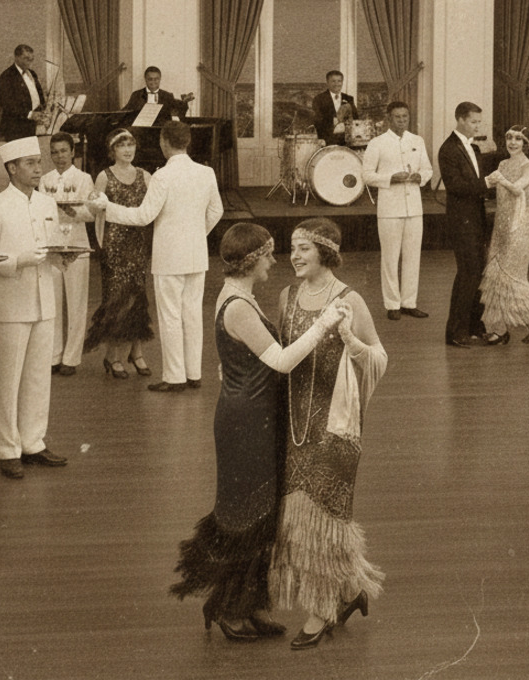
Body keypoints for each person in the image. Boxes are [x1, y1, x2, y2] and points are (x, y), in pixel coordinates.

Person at [170, 223, 347, 642]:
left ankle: (241, 607)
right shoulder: (238, 307)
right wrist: (323, 324)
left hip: (250, 415)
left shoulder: (239, 297)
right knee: (244, 514)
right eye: (268, 254)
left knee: (253, 513)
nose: (274, 261)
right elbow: (282, 362)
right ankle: (231, 612)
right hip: (246, 422)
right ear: (252, 260)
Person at [269, 219, 387, 650]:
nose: (294, 256)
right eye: (291, 248)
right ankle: (350, 591)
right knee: (301, 518)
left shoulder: (349, 298)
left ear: (325, 252)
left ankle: (322, 609)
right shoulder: (287, 296)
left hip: (336, 427)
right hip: (295, 423)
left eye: (303, 248)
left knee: (326, 518)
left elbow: (378, 357)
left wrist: (351, 340)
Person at [91, 120, 223, 391]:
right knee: (192, 314)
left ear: (164, 142)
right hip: (196, 255)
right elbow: (216, 211)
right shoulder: (206, 172)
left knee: (171, 315)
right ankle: (193, 374)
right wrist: (197, 234)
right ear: (187, 142)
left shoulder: (162, 176)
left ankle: (175, 377)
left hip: (170, 256)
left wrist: (107, 207)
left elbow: (143, 216)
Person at [0, 136, 70, 479]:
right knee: (8, 377)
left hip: (44, 299)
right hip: (10, 303)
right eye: (30, 163)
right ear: (12, 168)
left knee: (37, 376)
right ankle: (7, 449)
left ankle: (33, 442)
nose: (38, 168)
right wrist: (20, 260)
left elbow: (52, 245)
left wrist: (62, 257)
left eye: (38, 162)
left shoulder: (47, 204)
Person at [84, 128, 155, 379]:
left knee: (138, 298)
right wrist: (102, 244)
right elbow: (95, 212)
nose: (128, 150)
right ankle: (112, 356)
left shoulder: (145, 175)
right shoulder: (104, 176)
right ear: (112, 150)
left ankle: (136, 353)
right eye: (122, 146)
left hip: (137, 243)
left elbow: (152, 209)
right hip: (114, 245)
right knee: (116, 300)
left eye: (131, 145)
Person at [479, 126, 529, 343]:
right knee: (495, 276)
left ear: (526, 144)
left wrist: (499, 180)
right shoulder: (503, 164)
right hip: (501, 227)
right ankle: (499, 329)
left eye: (518, 139)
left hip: (519, 228)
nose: (512, 142)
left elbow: (518, 189)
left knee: (511, 278)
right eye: (509, 138)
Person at [438, 101, 503, 347]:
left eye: (479, 121)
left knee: (476, 274)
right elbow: (455, 187)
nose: (478, 126)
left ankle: (474, 327)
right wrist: (487, 183)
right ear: (460, 120)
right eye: (474, 122)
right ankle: (456, 332)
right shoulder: (448, 149)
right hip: (461, 221)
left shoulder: (472, 148)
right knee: (468, 274)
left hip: (475, 219)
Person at [361, 100, 433, 321]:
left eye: (405, 116)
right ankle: (392, 304)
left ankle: (409, 302)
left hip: (414, 208)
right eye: (397, 117)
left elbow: (428, 169)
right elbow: (366, 175)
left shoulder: (417, 141)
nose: (402, 120)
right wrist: (390, 178)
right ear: (388, 119)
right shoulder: (377, 143)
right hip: (390, 208)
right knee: (391, 258)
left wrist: (420, 177)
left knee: (413, 256)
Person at [39, 132, 94, 377]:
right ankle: (53, 355)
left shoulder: (84, 178)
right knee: (52, 303)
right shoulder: (44, 180)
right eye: (54, 152)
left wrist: (71, 211)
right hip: (52, 246)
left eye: (64, 151)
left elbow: (92, 212)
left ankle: (71, 357)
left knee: (77, 303)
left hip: (76, 245)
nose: (59, 156)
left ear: (73, 152)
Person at [0, 43, 46, 141]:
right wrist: (29, 114)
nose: (29, 62)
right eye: (26, 58)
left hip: (33, 125)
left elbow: (39, 95)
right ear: (16, 57)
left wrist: (42, 108)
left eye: (31, 59)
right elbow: (6, 104)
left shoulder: (32, 73)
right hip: (16, 128)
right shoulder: (7, 76)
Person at [122, 65, 193, 122]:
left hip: (161, 131)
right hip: (142, 130)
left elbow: (178, 111)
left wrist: (184, 102)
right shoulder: (137, 95)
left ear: (160, 79)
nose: (153, 82)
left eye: (156, 79)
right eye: (150, 79)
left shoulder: (167, 96)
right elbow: (125, 112)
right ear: (145, 79)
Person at [311, 71, 359, 145]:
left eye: (339, 81)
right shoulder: (319, 99)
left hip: (346, 142)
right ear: (327, 82)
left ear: (342, 82)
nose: (337, 84)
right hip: (327, 141)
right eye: (333, 81)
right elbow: (317, 121)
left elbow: (355, 118)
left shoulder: (349, 98)